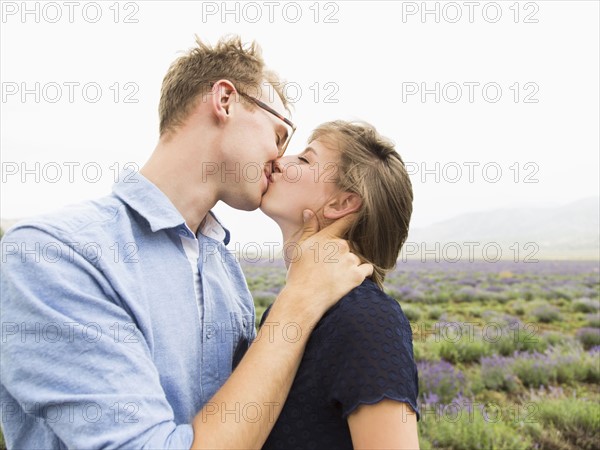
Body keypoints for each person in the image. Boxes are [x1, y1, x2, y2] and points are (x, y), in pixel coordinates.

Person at [0, 36, 372, 449]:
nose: (280, 158)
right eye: (280, 135)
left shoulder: (225, 273)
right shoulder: (55, 253)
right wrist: (298, 303)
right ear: (226, 100)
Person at [259, 120, 420, 449]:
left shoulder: (369, 320)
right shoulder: (289, 311)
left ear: (341, 204)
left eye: (304, 160)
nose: (279, 160)